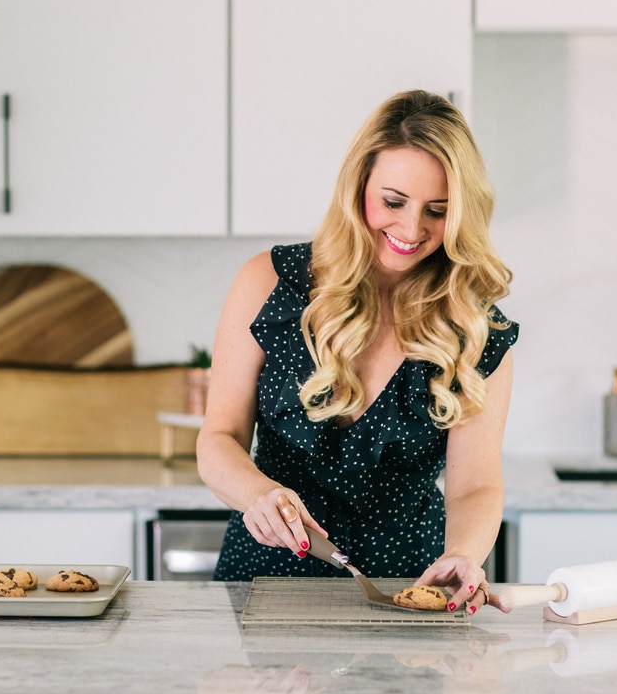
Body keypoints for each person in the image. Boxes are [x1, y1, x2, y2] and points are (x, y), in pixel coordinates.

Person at [196, 89, 518, 616]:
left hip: (409, 586)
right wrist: (256, 492)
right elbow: (218, 439)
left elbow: (476, 484)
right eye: (393, 202)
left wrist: (463, 553)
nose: (412, 230)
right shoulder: (269, 285)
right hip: (269, 585)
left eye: (437, 211)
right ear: (358, 187)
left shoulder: (475, 326)